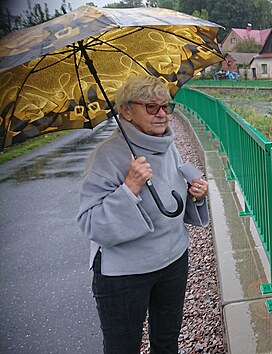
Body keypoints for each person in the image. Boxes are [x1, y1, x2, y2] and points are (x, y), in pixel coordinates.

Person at [77, 75, 209, 353]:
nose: (162, 114)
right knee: (123, 348)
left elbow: (168, 203)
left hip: (173, 261)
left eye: (166, 106)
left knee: (166, 343)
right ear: (126, 110)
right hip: (125, 274)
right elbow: (90, 223)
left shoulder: (167, 144)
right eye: (151, 107)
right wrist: (129, 187)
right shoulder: (107, 156)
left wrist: (193, 195)